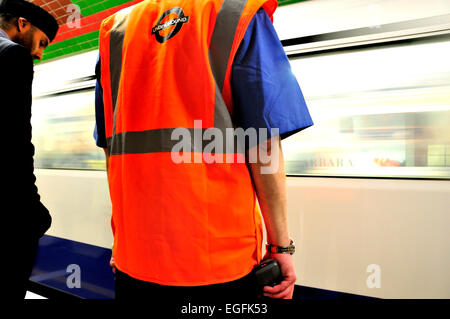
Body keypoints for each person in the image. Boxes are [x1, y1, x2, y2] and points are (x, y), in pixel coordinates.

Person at [94, 0, 313, 301]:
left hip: (135, 259)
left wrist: (121, 241)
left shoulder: (114, 30)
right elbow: (263, 143)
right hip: (219, 263)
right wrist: (280, 248)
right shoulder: (235, 12)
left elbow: (112, 147)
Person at [0, 0, 58, 299]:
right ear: (23, 23)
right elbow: (16, 142)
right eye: (42, 42)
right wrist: (33, 213)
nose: (38, 53)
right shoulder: (12, 55)